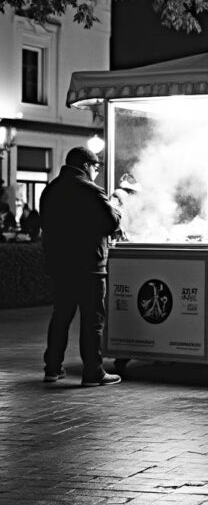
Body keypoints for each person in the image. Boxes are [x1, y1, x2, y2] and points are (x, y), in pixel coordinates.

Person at [40, 147, 123, 386]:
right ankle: (93, 372)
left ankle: (52, 368)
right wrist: (116, 211)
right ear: (87, 165)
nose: (96, 172)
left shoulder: (50, 190)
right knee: (92, 320)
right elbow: (111, 222)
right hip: (89, 266)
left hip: (60, 266)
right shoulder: (91, 191)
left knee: (61, 317)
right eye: (96, 167)